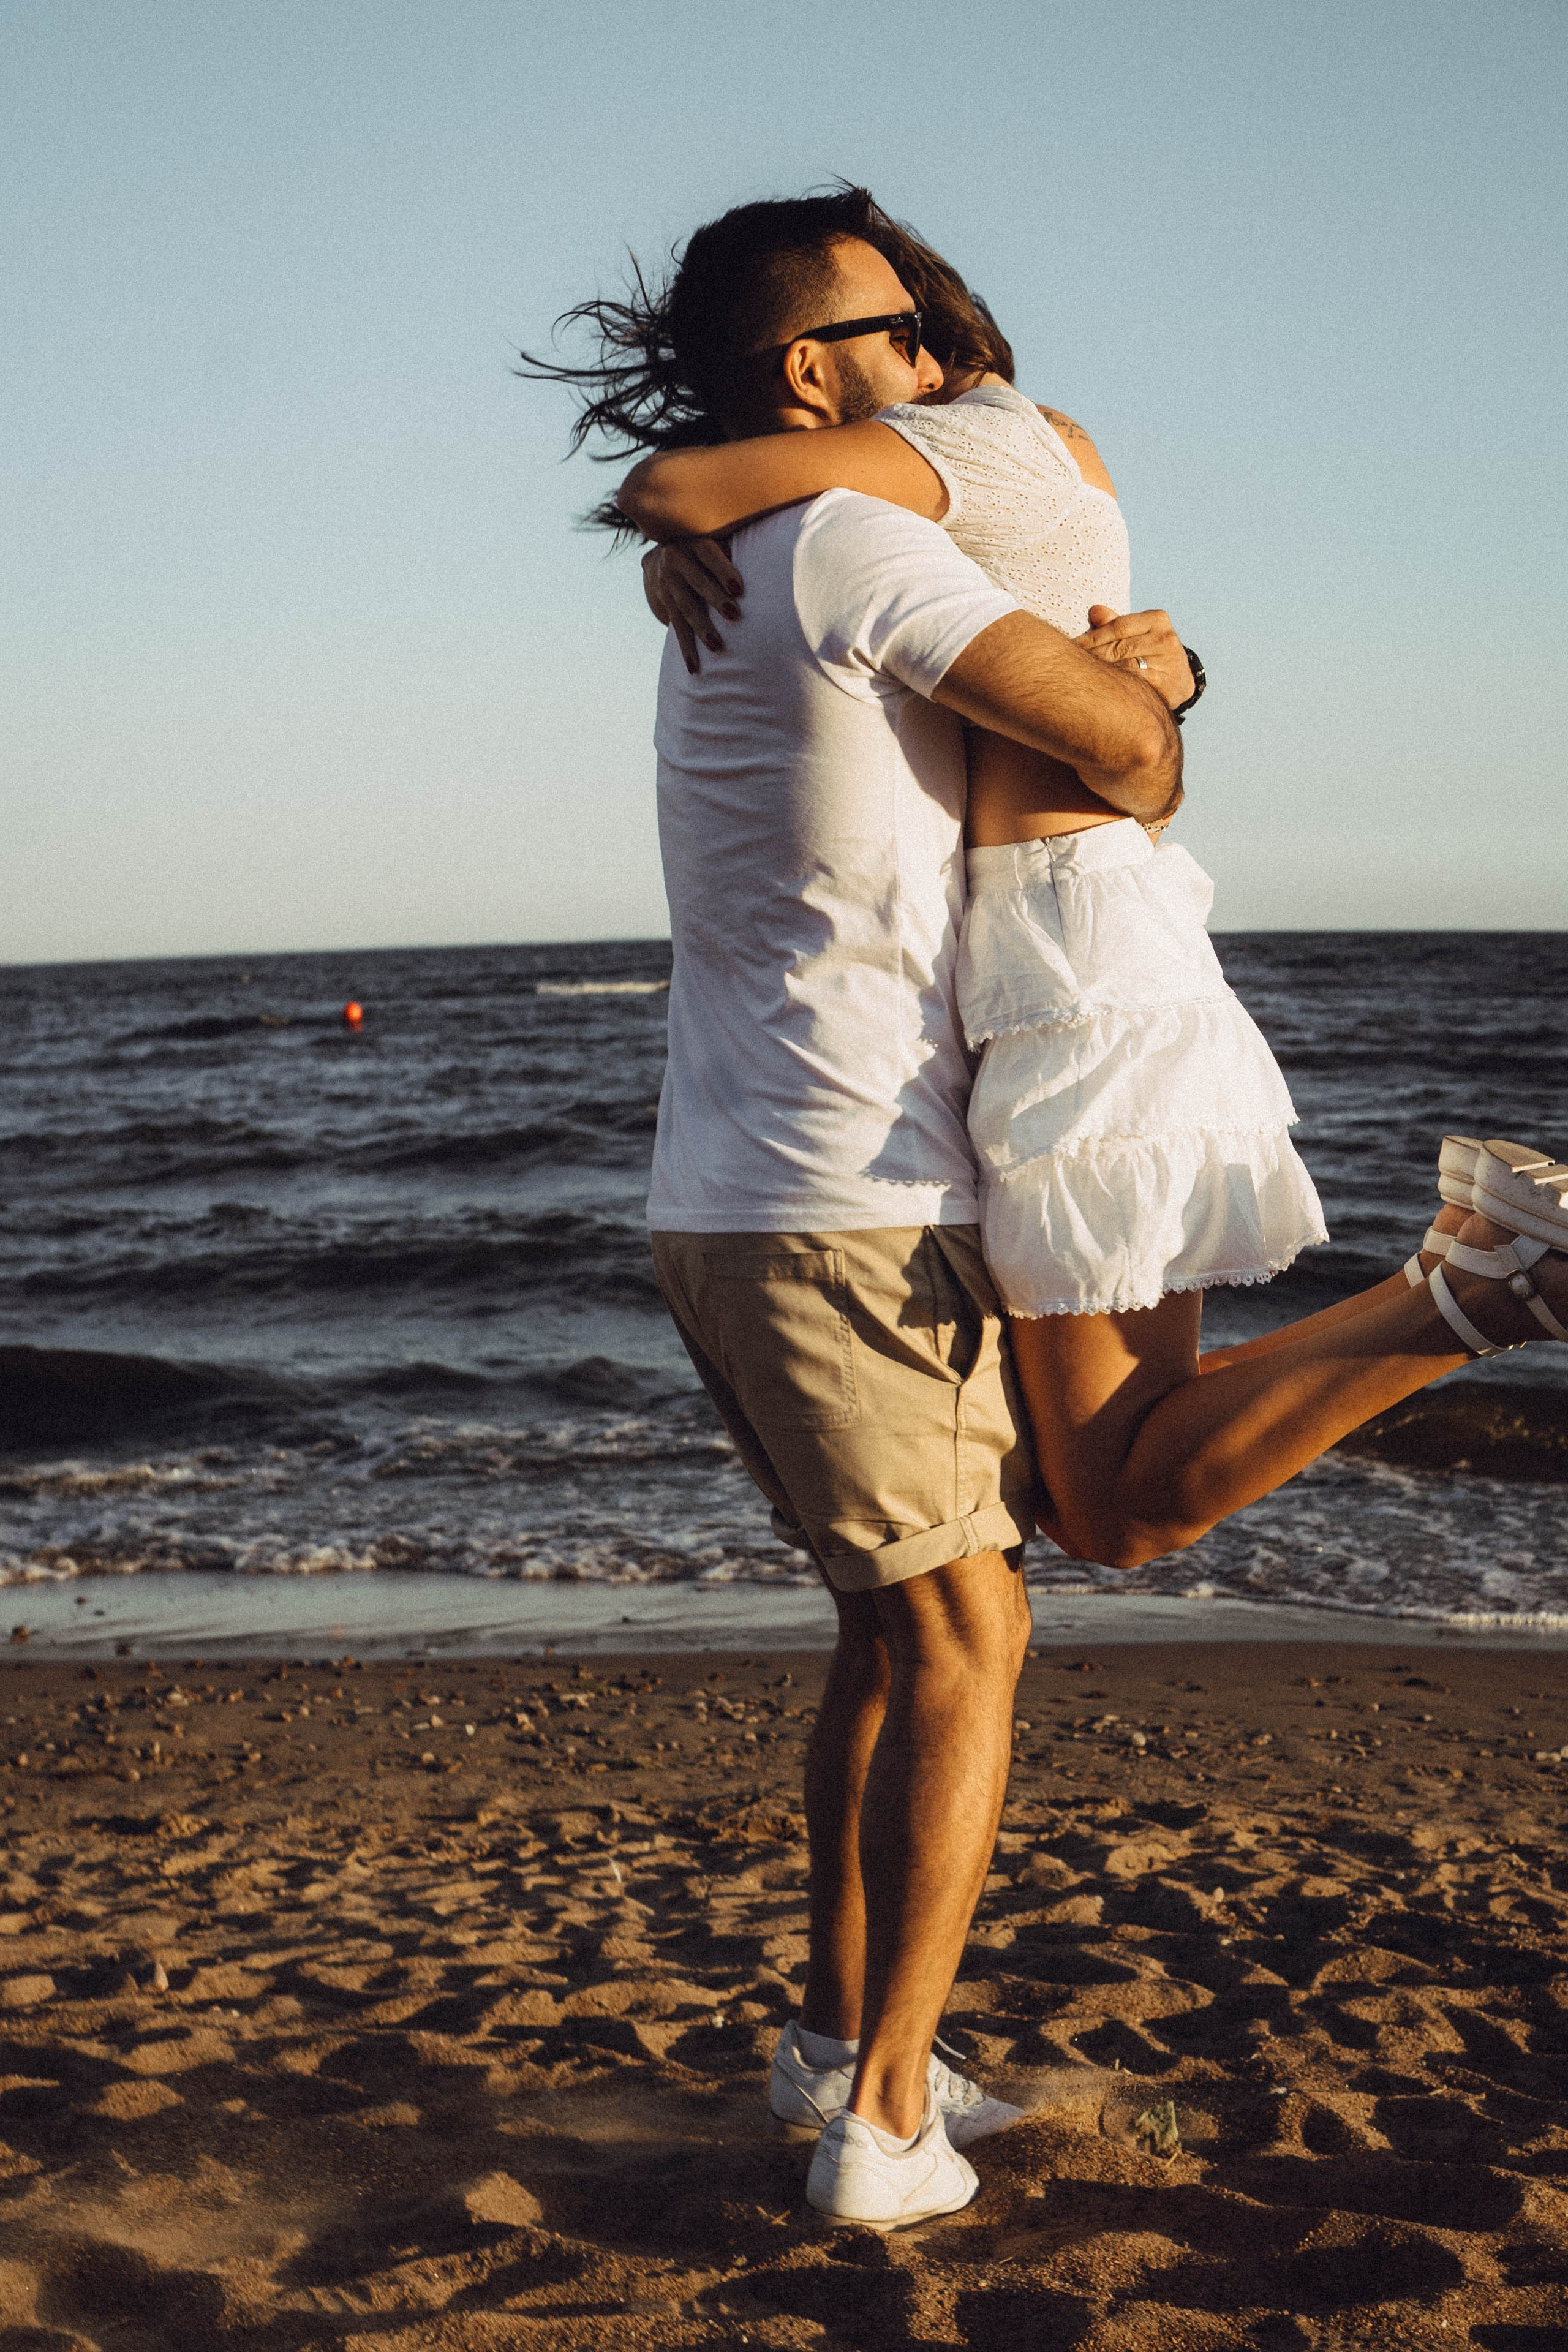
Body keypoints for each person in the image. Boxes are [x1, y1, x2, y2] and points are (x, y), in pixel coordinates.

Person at [522, 187, 1568, 2230]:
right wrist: (1154, 681)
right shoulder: (851, 533)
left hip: (755, 1184)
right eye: (892, 330)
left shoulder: (778, 541)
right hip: (852, 1188)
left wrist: (1151, 670)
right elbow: (1125, 757)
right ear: (811, 373)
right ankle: (887, 2121)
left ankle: (839, 2049)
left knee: (893, 1625)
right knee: (972, 1628)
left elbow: (1057, 721)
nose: (939, 357)